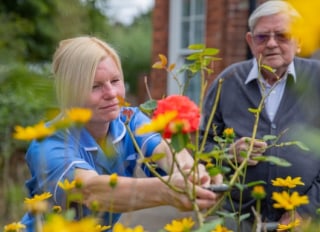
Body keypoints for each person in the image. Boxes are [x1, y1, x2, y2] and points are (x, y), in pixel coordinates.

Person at [20, 36, 221, 231]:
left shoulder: (127, 119)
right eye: (95, 86)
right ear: (68, 92)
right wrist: (168, 192)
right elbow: (91, 191)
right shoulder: (48, 142)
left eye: (115, 81)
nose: (112, 93)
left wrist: (194, 175)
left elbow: (165, 150)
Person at [200, 0, 320, 230]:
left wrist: (306, 208)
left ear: (299, 41)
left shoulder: (316, 80)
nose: (272, 44)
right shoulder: (228, 82)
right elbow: (201, 144)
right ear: (250, 41)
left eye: (282, 35)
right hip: (236, 218)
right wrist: (227, 153)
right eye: (262, 37)